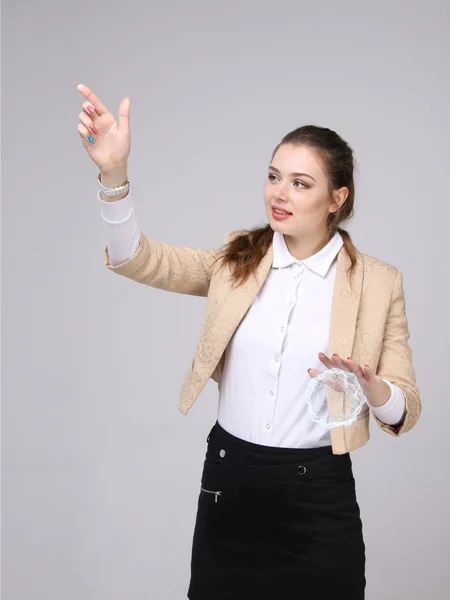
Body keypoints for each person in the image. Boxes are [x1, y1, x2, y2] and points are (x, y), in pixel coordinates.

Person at [75, 83, 421, 600]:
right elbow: (138, 258)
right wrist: (113, 175)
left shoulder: (378, 282)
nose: (279, 193)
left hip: (318, 492)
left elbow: (404, 408)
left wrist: (373, 389)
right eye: (274, 176)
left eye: (301, 183)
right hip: (229, 478)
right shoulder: (235, 261)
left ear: (337, 198)